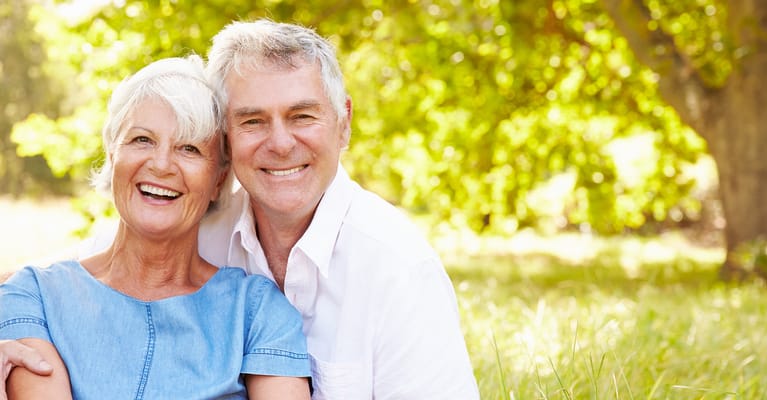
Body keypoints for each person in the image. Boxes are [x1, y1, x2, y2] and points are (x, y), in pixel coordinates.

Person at [2, 18, 479, 399]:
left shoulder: (397, 269)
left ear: (343, 123)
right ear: (228, 146)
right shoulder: (193, 223)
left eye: (302, 116)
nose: (280, 143)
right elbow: (82, 282)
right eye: (253, 121)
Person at [0, 55, 311, 399]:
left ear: (219, 177)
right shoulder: (32, 296)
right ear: (112, 153)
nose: (161, 164)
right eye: (142, 140)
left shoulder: (258, 313)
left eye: (189, 148)